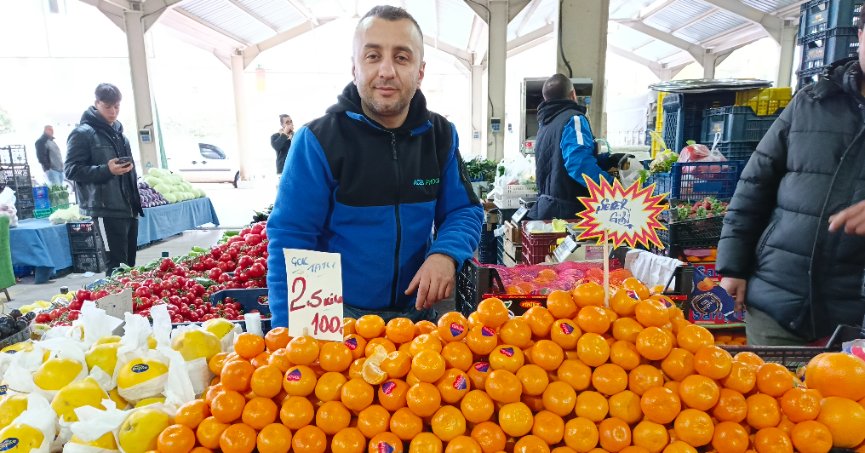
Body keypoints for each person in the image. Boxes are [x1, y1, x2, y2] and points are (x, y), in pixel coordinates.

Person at [266, 5, 483, 326]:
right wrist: (290, 335)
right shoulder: (318, 141)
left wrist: (446, 253)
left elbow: (464, 210)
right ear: (354, 68)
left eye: (402, 57)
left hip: (417, 317)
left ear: (420, 72)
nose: (386, 70)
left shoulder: (439, 136)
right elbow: (292, 239)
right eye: (372, 56)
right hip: (339, 318)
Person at [718, 9, 865, 346]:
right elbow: (755, 187)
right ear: (860, 34)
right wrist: (733, 266)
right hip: (777, 303)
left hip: (854, 322)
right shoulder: (811, 102)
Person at [66, 83, 143, 277]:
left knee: (128, 266)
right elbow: (71, 170)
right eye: (108, 107)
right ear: (96, 103)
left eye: (117, 106)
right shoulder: (83, 133)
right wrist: (106, 170)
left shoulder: (119, 134)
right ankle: (115, 297)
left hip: (128, 207)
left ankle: (128, 297)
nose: (113, 112)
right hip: (105, 210)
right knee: (116, 267)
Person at [528, 73, 623, 220]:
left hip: (547, 209)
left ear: (546, 99)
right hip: (572, 212)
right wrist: (614, 188)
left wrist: (607, 160)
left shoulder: (544, 125)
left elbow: (559, 163)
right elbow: (579, 165)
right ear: (573, 94)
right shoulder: (574, 119)